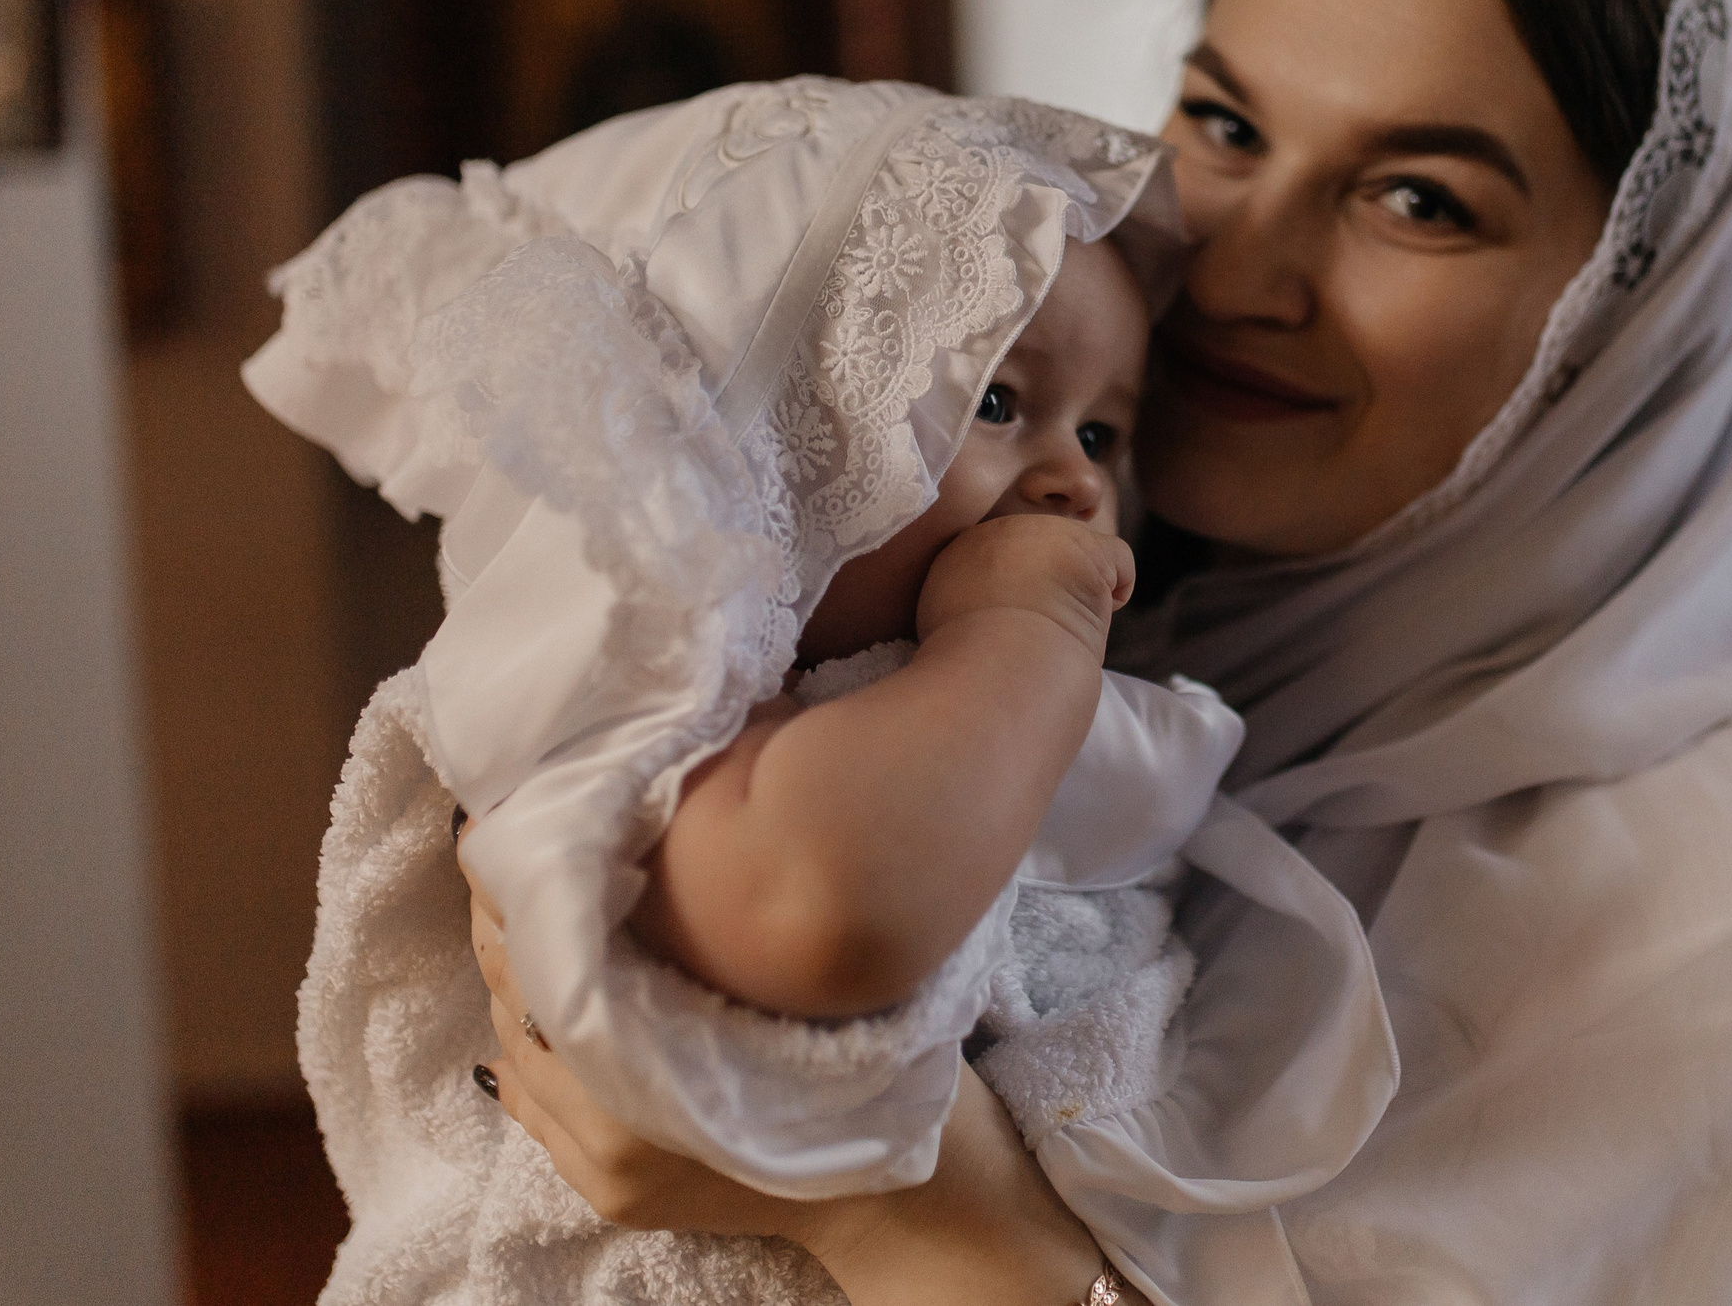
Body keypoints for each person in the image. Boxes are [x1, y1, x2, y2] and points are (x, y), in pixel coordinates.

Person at [465, 0, 1732, 1305]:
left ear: (1629, 331)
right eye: (1223, 123)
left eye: (1419, 198)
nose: (1243, 261)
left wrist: (894, 1219)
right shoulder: (1035, 583)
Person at [245, 79, 1393, 1304]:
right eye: (995, 402)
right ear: (771, 445)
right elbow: (820, 904)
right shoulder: (648, 717)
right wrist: (1024, 626)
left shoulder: (959, 679)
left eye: (1103, 435)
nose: (1071, 479)